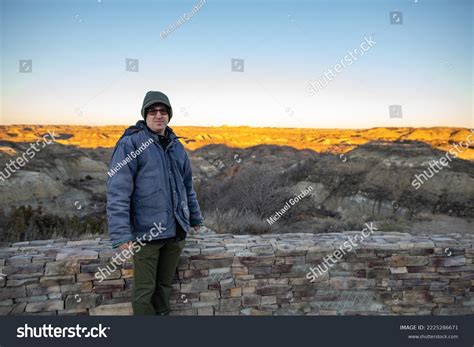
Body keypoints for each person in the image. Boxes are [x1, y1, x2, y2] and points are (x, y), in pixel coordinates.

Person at [106, 90, 203, 315]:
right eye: (152, 111)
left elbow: (187, 186)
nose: (158, 115)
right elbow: (118, 191)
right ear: (144, 114)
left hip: (176, 230)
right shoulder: (130, 144)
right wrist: (121, 235)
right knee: (144, 291)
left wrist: (195, 217)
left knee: (164, 287)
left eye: (163, 111)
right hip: (146, 234)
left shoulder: (176, 145)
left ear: (169, 115)